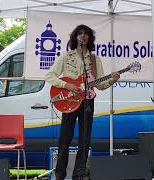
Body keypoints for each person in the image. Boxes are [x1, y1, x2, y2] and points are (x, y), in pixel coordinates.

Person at [45, 24, 120, 180]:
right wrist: (67, 85)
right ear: (75, 37)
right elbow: (49, 76)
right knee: (65, 139)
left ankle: (78, 175)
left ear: (89, 38)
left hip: (87, 102)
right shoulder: (66, 56)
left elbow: (100, 85)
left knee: (84, 141)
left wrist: (113, 80)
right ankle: (60, 175)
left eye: (86, 33)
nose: (83, 36)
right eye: (80, 33)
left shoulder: (94, 59)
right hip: (69, 102)